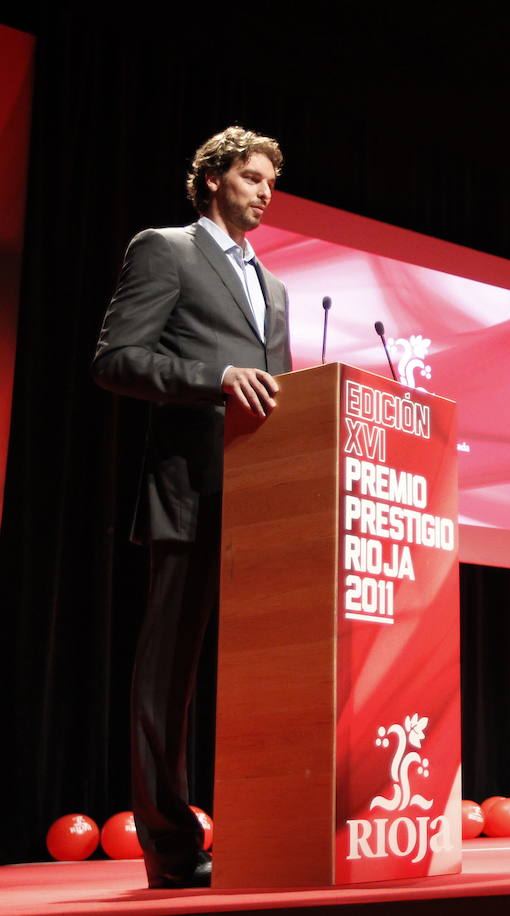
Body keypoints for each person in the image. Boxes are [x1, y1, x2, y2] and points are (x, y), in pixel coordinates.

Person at [92, 126, 292, 888]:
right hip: (191, 494)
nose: (264, 191)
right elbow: (116, 360)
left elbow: (279, 390)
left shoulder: (273, 287)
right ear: (212, 179)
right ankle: (172, 848)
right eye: (249, 176)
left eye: (271, 181)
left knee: (271, 674)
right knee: (166, 679)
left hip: (270, 503)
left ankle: (270, 825)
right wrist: (218, 375)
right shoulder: (166, 249)